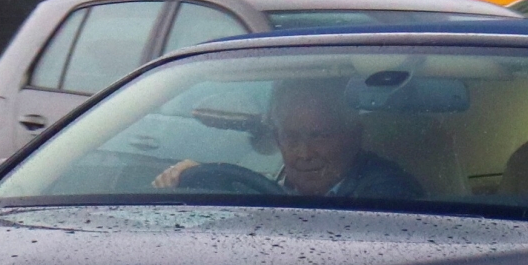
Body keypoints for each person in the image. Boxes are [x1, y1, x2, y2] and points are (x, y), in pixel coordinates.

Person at [154, 78, 423, 199]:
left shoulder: (387, 193)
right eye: (291, 137)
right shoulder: (277, 176)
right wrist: (190, 180)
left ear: (353, 136)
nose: (303, 153)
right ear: (276, 138)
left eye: (319, 136)